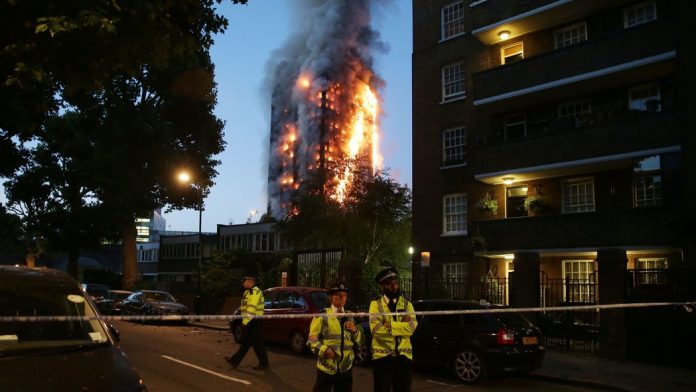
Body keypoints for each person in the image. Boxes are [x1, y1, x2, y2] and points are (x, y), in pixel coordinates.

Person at [307, 280, 363, 392]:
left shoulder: (351, 316)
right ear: (331, 298)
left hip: (346, 368)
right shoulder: (322, 315)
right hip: (327, 367)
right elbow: (311, 340)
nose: (342, 297)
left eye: (345, 295)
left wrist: (355, 331)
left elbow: (360, 341)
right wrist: (324, 350)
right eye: (338, 295)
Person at [369, 267, 418, 392]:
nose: (394, 286)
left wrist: (390, 325)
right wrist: (401, 325)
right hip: (383, 359)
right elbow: (376, 330)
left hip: (403, 359)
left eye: (396, 283)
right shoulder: (375, 304)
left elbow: (411, 328)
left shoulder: (407, 304)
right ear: (382, 286)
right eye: (390, 284)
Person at [225, 274, 269, 370]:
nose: (243, 284)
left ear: (250, 282)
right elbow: (244, 308)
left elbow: (251, 309)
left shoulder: (255, 292)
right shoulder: (247, 293)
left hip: (254, 320)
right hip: (250, 320)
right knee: (247, 342)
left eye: (244, 282)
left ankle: (264, 363)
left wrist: (245, 322)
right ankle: (235, 360)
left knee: (256, 343)